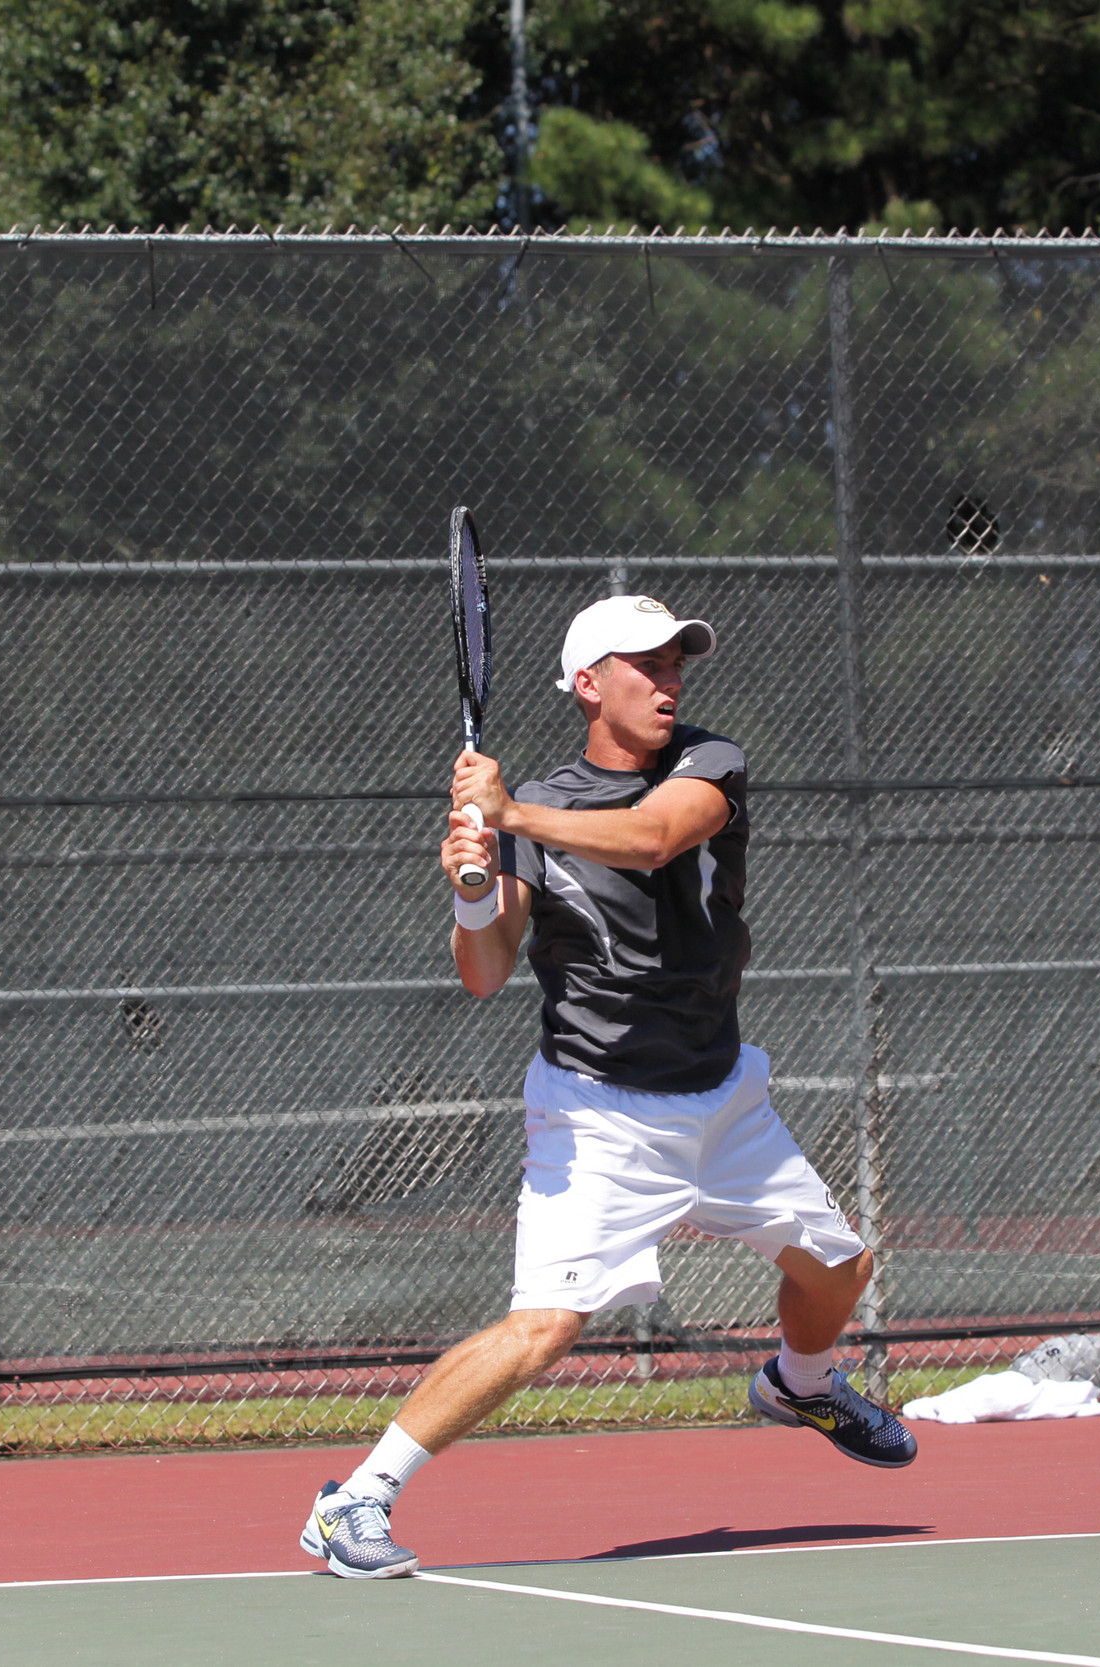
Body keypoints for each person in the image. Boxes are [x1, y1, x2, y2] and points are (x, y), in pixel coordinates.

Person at [298, 594, 914, 1580]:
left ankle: (799, 1383)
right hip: (596, 1109)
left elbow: (653, 837)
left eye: (676, 662)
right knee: (545, 1324)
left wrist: (507, 817)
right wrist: (470, 884)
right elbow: (485, 967)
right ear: (589, 683)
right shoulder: (531, 806)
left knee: (837, 1268)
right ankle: (353, 1499)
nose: (668, 679)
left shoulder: (709, 764)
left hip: (723, 1093)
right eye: (645, 665)